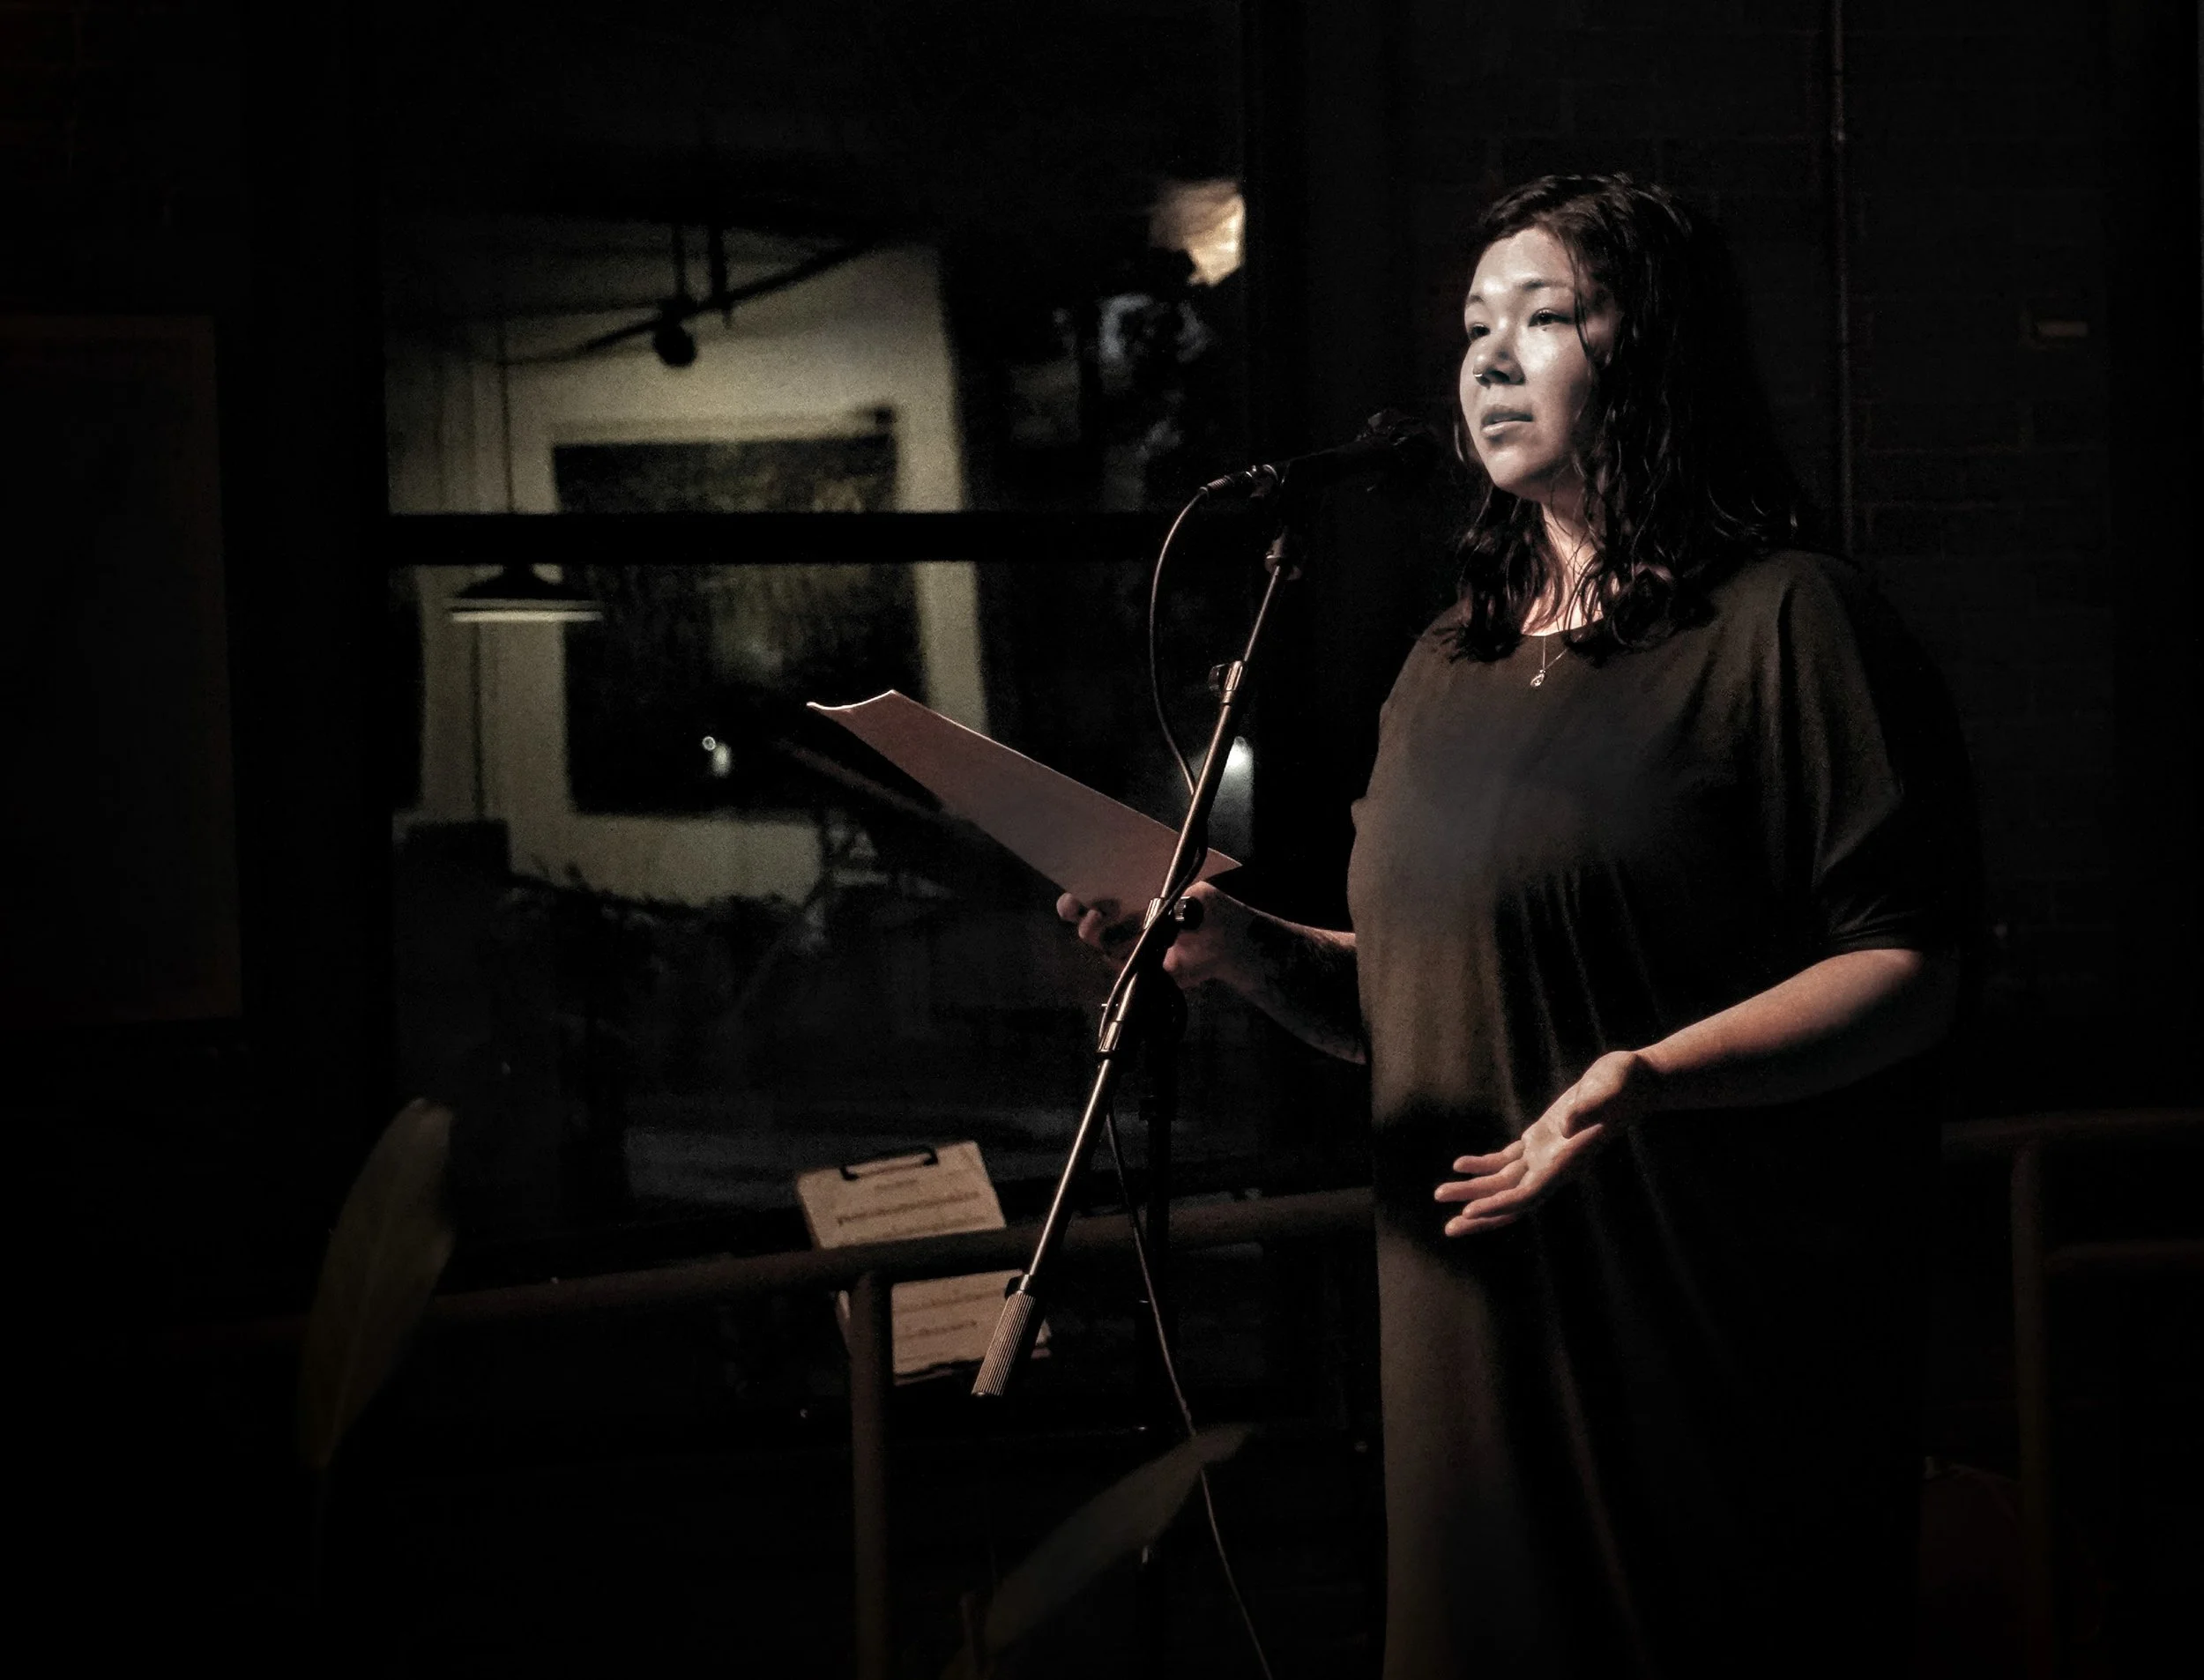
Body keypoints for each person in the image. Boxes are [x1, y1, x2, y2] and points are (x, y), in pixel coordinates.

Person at [1060, 175, 1977, 1676]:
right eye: (1477, 325)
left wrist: (1650, 1072)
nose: (1489, 358)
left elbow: (1910, 961)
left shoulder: (1784, 623)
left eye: (1547, 317)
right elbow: (1428, 997)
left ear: (1651, 350)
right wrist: (1248, 957)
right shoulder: (1446, 663)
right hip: (1465, 1336)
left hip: (1687, 1332)